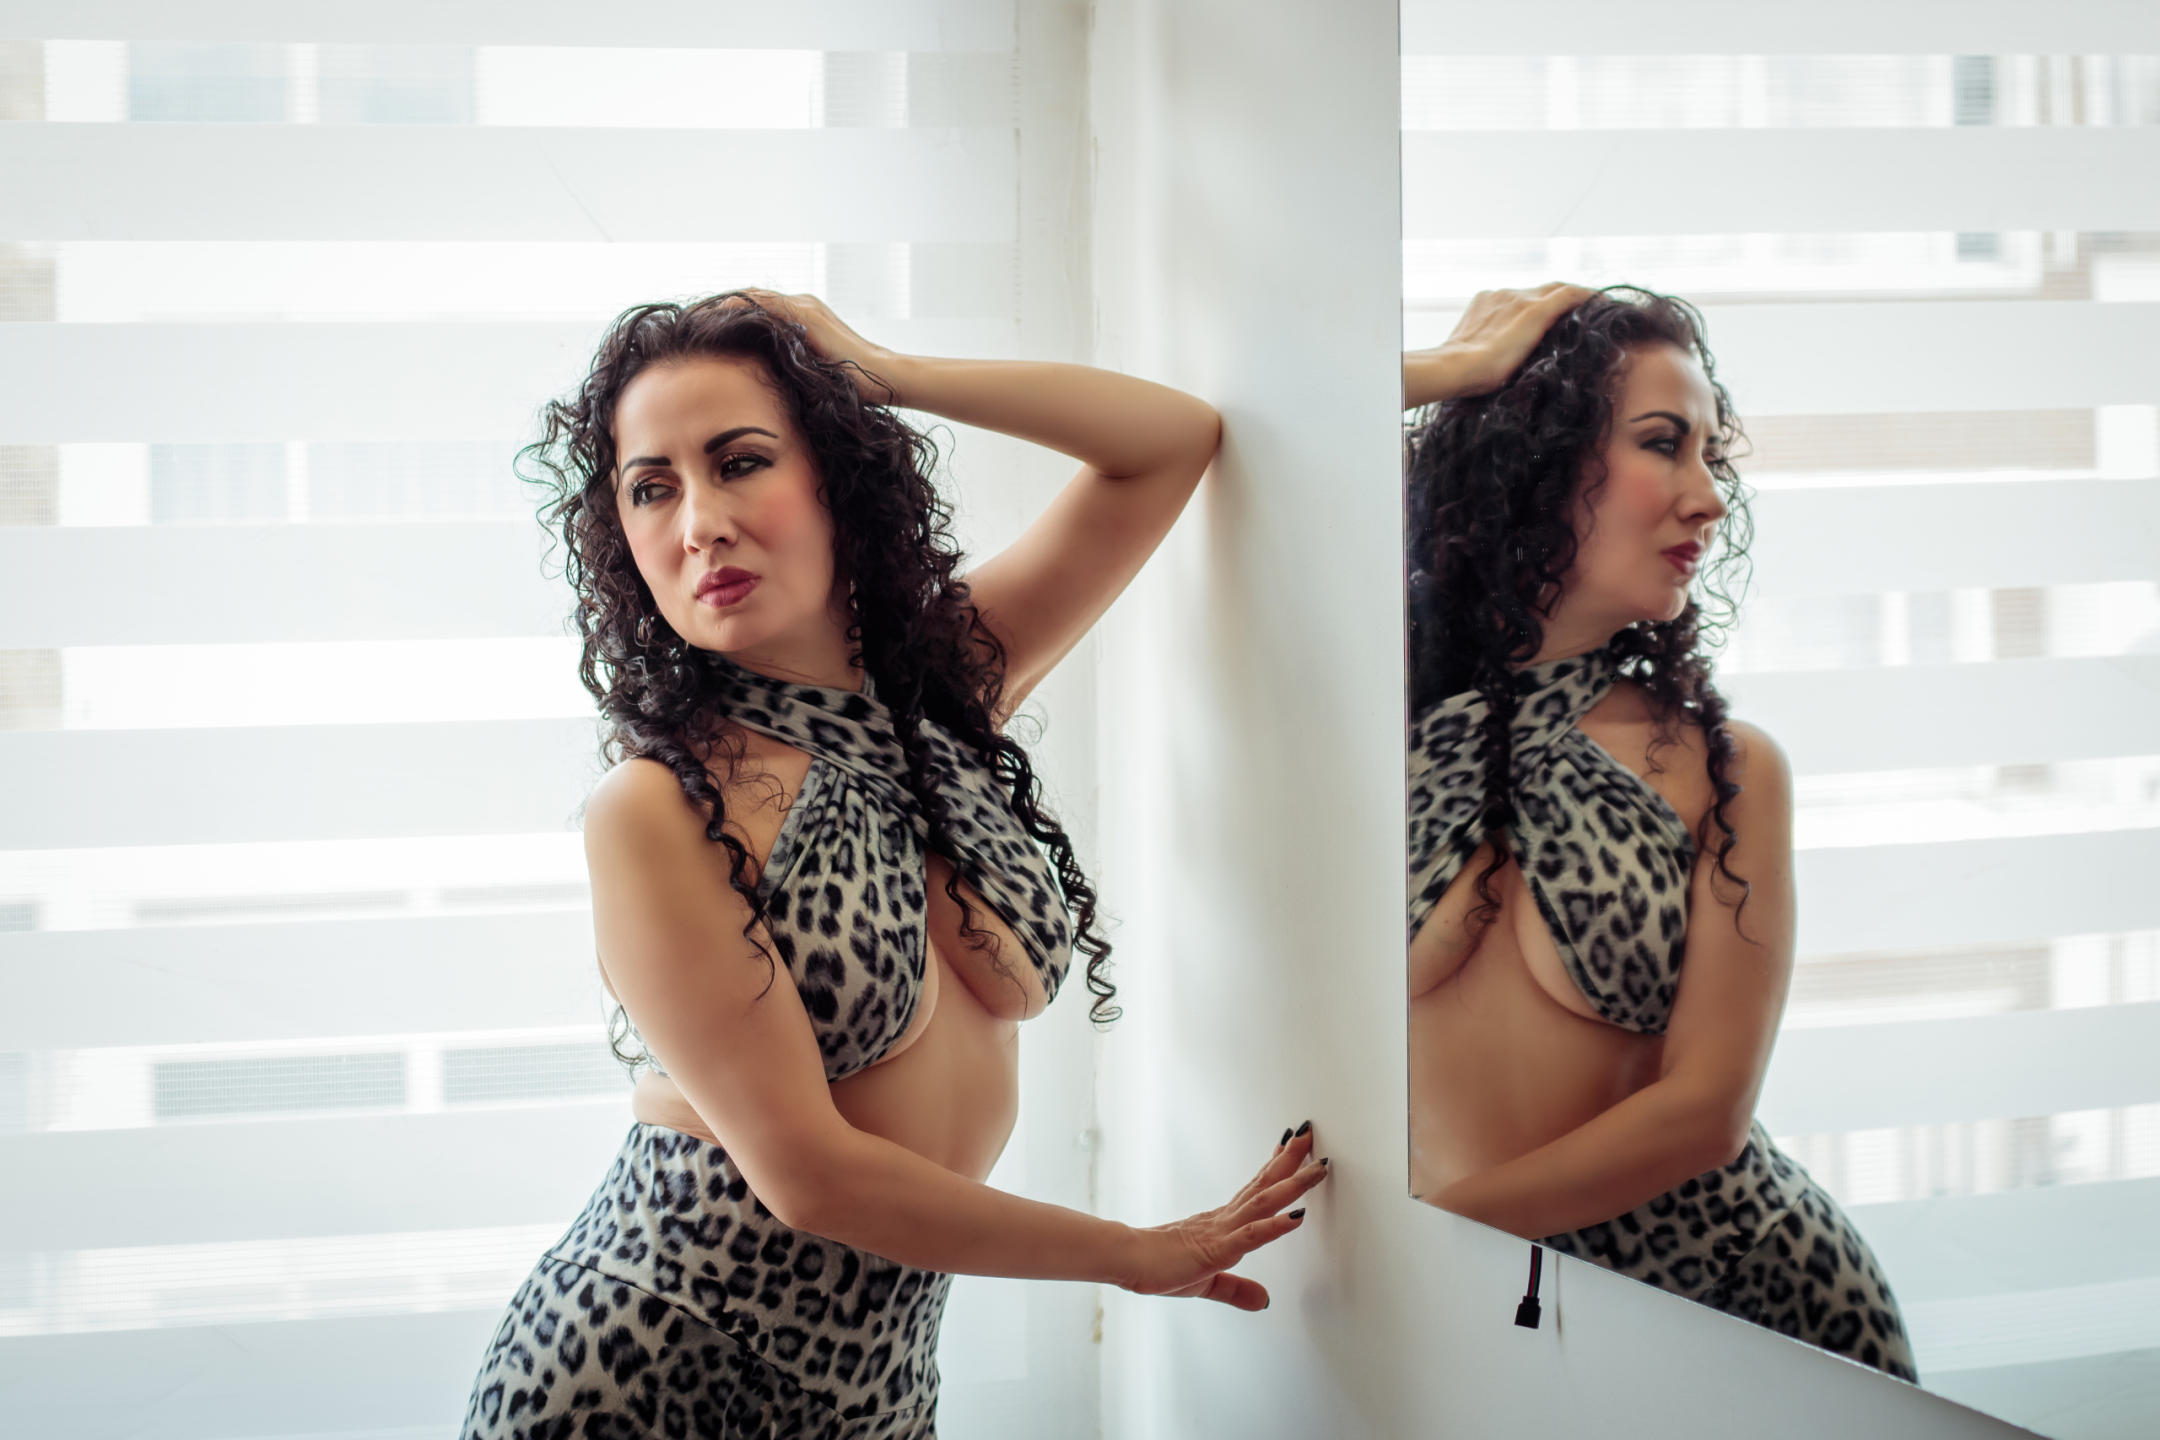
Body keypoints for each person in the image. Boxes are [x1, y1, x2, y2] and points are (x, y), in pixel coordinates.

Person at [460, 291, 1328, 1438]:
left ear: (836, 475)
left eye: (741, 461)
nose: (701, 523)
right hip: (649, 1375)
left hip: (876, 1385)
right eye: (652, 487)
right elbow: (810, 1177)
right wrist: (1132, 1252)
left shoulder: (939, 692)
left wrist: (881, 370)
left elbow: (1167, 442)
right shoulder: (658, 808)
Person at [1401, 284, 1916, 1383]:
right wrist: (1447, 376)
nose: (1710, 498)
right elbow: (1245, 449)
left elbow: (1703, 1115)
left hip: (1750, 1307)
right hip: (1502, 1323)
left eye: (1711, 457)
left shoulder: (1726, 771)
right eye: (1662, 443)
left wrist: (1419, 1246)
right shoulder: (1367, 740)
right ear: (1533, 458)